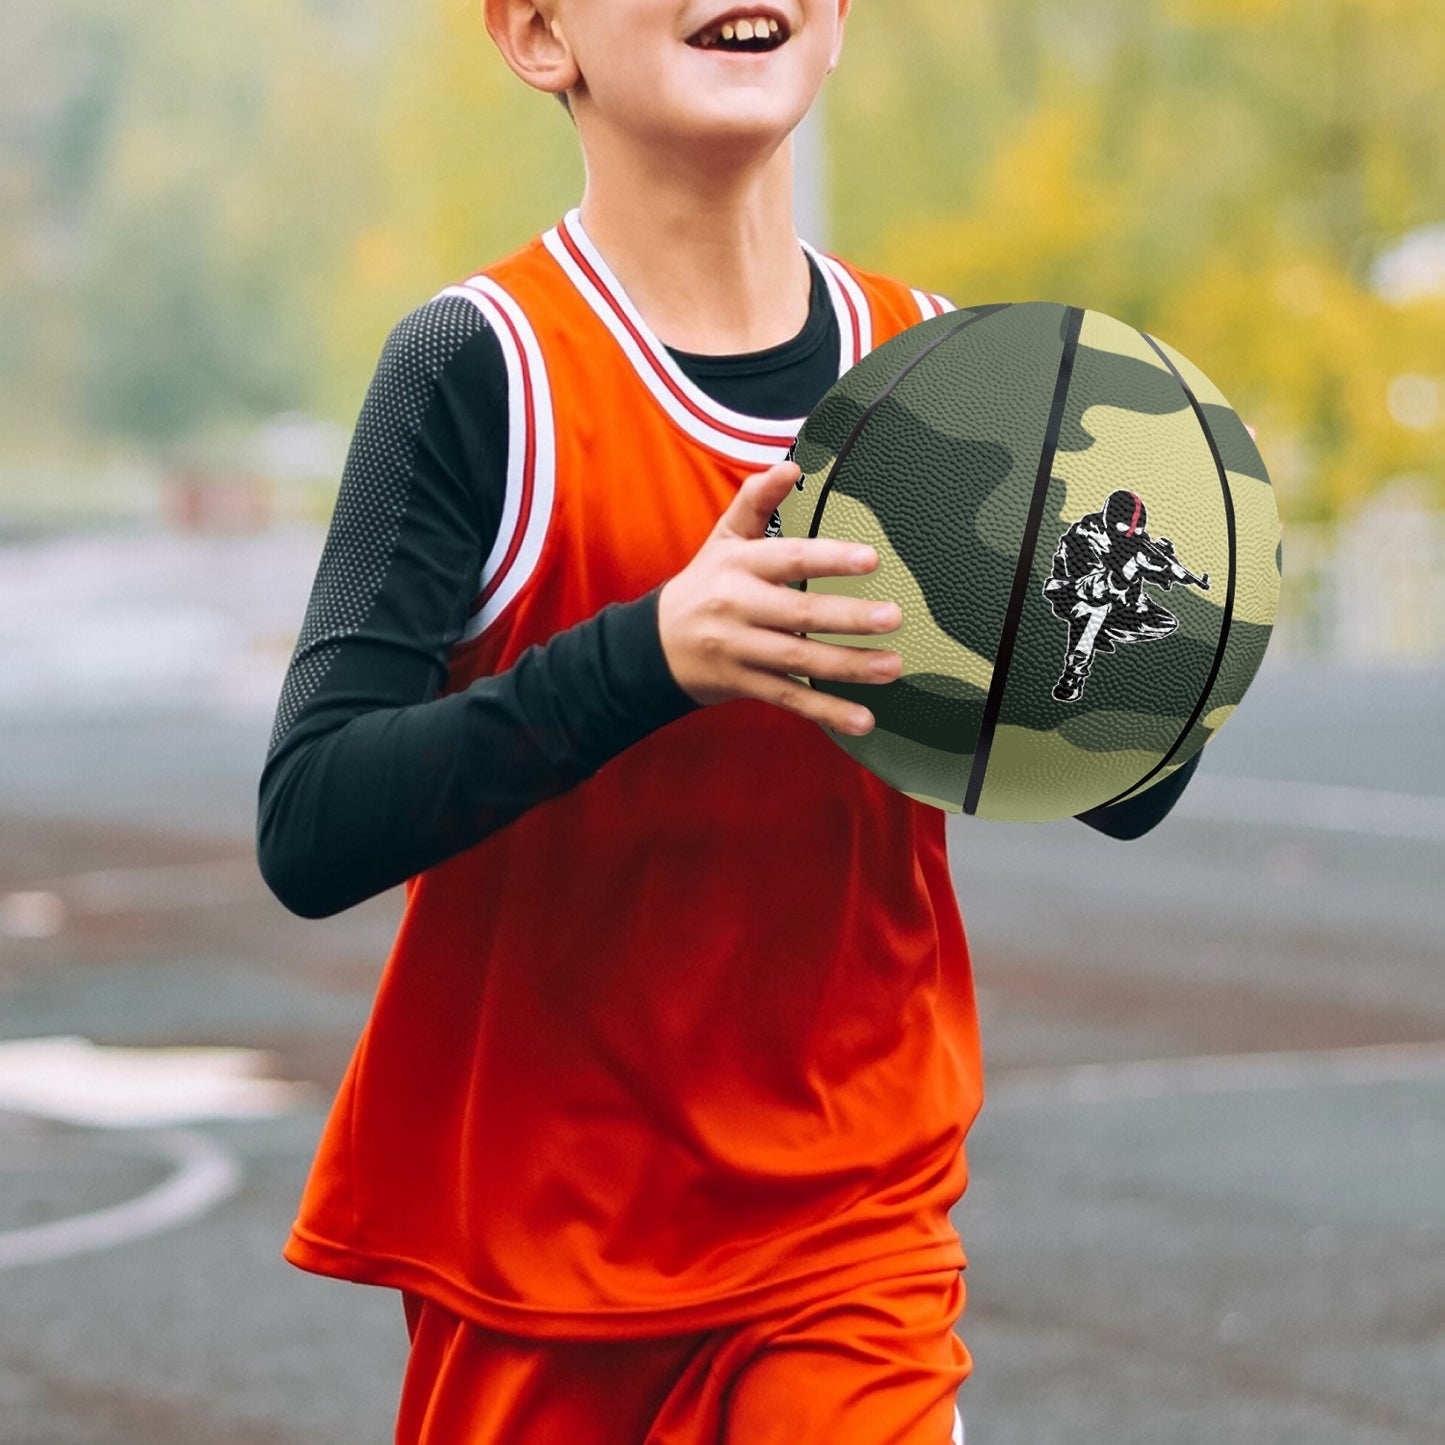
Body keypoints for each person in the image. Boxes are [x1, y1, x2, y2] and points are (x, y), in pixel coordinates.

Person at [257, 2, 1199, 1439]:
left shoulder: (958, 381)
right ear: (534, 36)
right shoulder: (480, 367)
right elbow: (310, 822)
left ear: (832, 26)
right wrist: (650, 654)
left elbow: (1125, 786)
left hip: (850, 1223)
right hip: (541, 1243)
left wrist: (1138, 642)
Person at [1043, 488, 1210, 703]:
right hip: (1073, 595)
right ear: (1109, 520)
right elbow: (1090, 589)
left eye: (1137, 531)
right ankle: (1074, 674)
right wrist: (1130, 568)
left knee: (1164, 622)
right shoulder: (1082, 538)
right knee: (1095, 609)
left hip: (1120, 601)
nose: (1130, 536)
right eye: (1124, 529)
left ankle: (1099, 632)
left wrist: (1172, 571)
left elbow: (1150, 569)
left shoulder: (1137, 539)